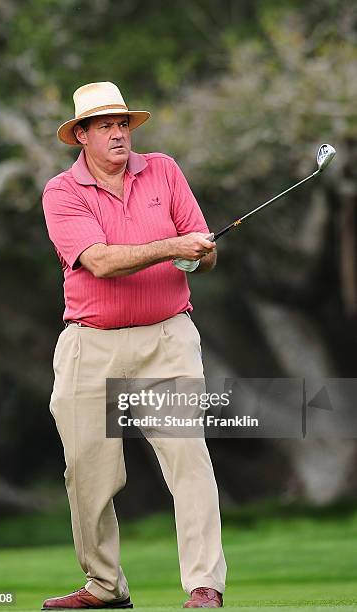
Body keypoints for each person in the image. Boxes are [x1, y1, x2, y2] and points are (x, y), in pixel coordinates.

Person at [41, 82, 227, 609]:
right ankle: (104, 586)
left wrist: (198, 254)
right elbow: (98, 261)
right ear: (81, 135)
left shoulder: (164, 170)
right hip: (90, 345)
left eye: (123, 123)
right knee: (89, 475)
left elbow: (202, 250)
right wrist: (173, 246)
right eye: (105, 125)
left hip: (168, 339)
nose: (119, 132)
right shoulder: (62, 192)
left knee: (188, 460)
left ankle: (204, 585)